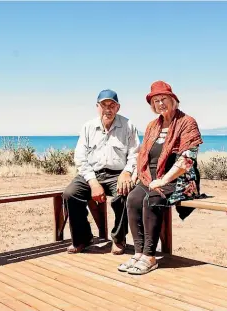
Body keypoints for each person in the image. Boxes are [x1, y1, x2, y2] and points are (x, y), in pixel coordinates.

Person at [118, 80, 203, 274]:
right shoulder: (152, 126)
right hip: (151, 177)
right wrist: (135, 175)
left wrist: (164, 180)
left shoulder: (187, 122)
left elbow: (187, 159)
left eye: (164, 98)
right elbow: (143, 155)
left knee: (152, 198)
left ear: (173, 100)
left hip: (179, 179)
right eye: (156, 101)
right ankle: (138, 253)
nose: (160, 103)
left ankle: (149, 256)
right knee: (132, 198)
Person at [63, 89, 140, 255]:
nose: (108, 109)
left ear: (118, 107)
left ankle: (119, 239)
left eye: (112, 105)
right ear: (97, 107)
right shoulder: (88, 127)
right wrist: (92, 182)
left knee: (125, 194)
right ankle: (83, 238)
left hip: (118, 174)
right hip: (92, 174)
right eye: (104, 105)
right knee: (70, 194)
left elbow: (135, 154)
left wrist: (127, 173)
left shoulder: (128, 125)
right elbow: (80, 157)